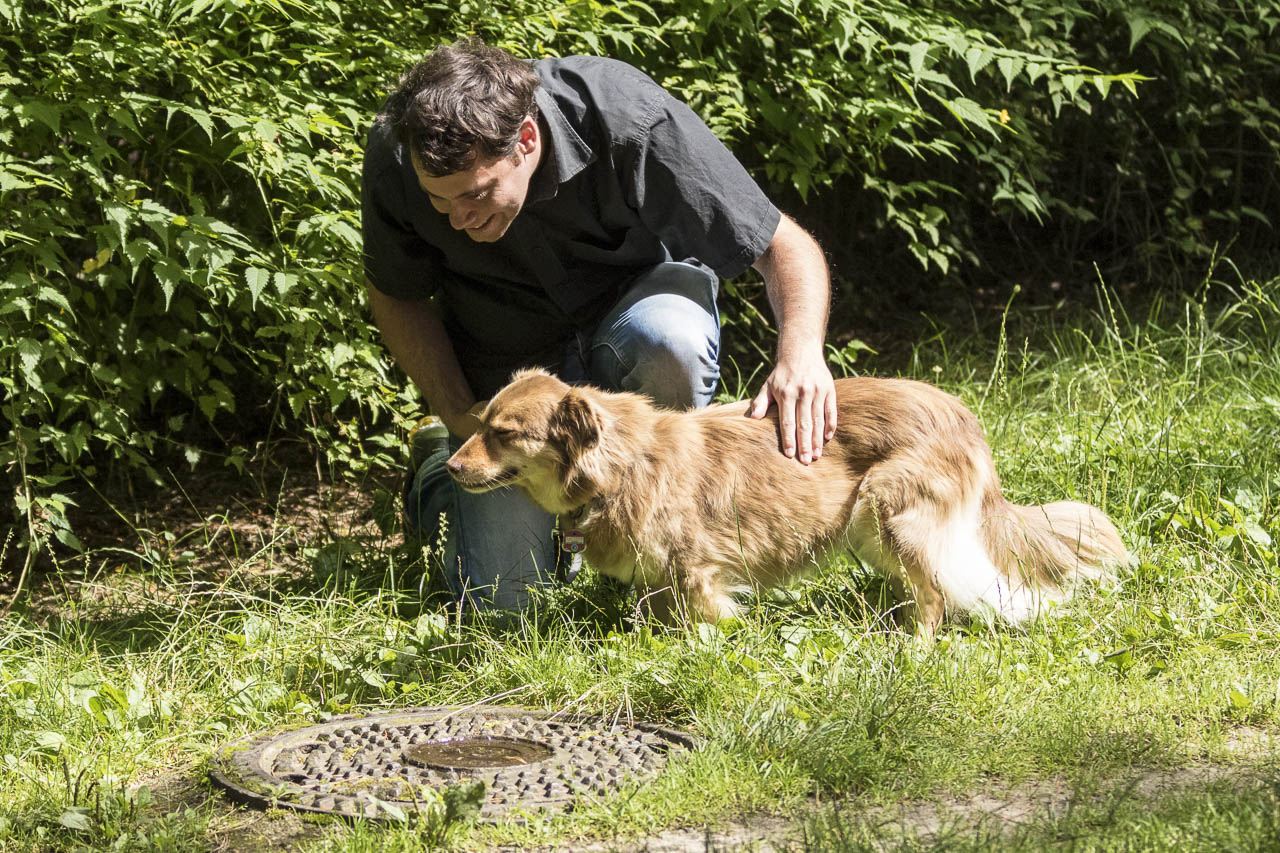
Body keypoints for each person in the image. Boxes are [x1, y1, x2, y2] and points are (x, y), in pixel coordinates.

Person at [362, 38, 836, 610]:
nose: (458, 218)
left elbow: (781, 245)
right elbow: (396, 293)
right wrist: (457, 409)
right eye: (440, 204)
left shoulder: (626, 116)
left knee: (670, 343)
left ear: (526, 140)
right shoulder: (398, 154)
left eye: (477, 194)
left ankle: (660, 537)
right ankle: (437, 474)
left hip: (632, 319)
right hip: (504, 370)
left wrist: (800, 355)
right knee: (505, 603)